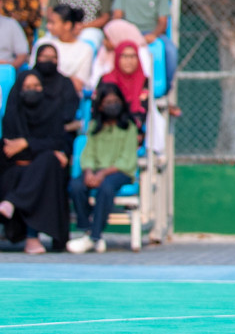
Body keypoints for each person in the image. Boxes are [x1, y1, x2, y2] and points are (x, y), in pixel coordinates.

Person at [0, 46, 79, 253]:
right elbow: (9, 150)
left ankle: (13, 204)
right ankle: (30, 238)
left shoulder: (51, 112)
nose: (33, 90)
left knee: (47, 164)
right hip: (16, 170)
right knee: (41, 166)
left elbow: (58, 140)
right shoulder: (12, 113)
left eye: (37, 86)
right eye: (27, 86)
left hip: (41, 170)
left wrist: (27, 143)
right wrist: (43, 148)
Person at [66, 81, 139, 253]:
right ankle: (86, 231)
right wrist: (90, 172)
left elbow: (127, 160)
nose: (111, 106)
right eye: (107, 102)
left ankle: (95, 236)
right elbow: (88, 154)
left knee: (106, 188)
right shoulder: (94, 128)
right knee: (76, 186)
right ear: (99, 106)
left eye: (115, 101)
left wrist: (103, 174)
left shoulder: (129, 128)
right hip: (97, 171)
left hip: (119, 172)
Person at [33, 5, 94, 95]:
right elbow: (33, 75)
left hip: (68, 96)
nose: (48, 26)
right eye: (48, 22)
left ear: (67, 25)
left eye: (53, 23)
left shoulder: (85, 49)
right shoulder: (42, 43)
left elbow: (78, 84)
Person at [99, 40, 152, 126]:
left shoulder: (145, 81)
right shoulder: (106, 80)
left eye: (132, 56)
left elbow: (145, 108)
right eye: (124, 56)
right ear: (117, 57)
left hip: (136, 129)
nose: (129, 61)